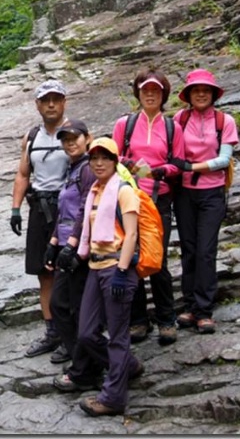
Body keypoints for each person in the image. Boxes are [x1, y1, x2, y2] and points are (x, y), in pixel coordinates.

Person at [112, 68, 184, 346]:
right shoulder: (125, 124)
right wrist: (134, 167)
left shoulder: (172, 127)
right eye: (145, 90)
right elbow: (114, 156)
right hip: (130, 199)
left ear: (163, 93)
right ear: (138, 93)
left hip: (159, 200)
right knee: (131, 257)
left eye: (155, 90)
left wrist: (157, 172)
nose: (150, 94)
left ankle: (167, 320)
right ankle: (138, 320)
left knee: (158, 259)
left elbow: (178, 163)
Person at [74, 136, 144, 417]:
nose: (99, 163)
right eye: (94, 158)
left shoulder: (123, 190)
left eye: (105, 158)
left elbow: (132, 234)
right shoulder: (95, 190)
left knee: (117, 336)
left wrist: (123, 271)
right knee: (87, 333)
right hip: (94, 267)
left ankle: (113, 398)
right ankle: (127, 366)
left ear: (115, 162)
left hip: (117, 268)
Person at [171, 69, 239, 334]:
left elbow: (224, 160)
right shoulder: (180, 118)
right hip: (185, 193)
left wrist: (190, 166)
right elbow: (173, 153)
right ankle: (189, 306)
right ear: (188, 95)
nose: (201, 94)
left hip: (212, 193)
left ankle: (204, 309)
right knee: (188, 248)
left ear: (213, 94)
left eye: (206, 90)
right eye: (196, 90)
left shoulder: (224, 121)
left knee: (206, 250)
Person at [10, 79, 71, 357]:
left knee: (68, 272)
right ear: (37, 104)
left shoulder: (75, 134)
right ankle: (52, 332)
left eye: (56, 99)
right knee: (43, 273)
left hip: (68, 210)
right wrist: (15, 208)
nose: (51, 105)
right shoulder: (31, 137)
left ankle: (72, 333)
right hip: (39, 209)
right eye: (46, 100)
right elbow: (23, 174)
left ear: (63, 103)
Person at [46, 119, 102, 391]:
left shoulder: (89, 169)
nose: (70, 143)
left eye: (75, 138)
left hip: (81, 250)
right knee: (59, 305)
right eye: (65, 139)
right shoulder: (72, 169)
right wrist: (54, 241)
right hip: (66, 247)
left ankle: (87, 370)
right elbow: (65, 211)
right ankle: (84, 362)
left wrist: (74, 246)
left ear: (87, 138)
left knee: (78, 310)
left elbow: (85, 211)